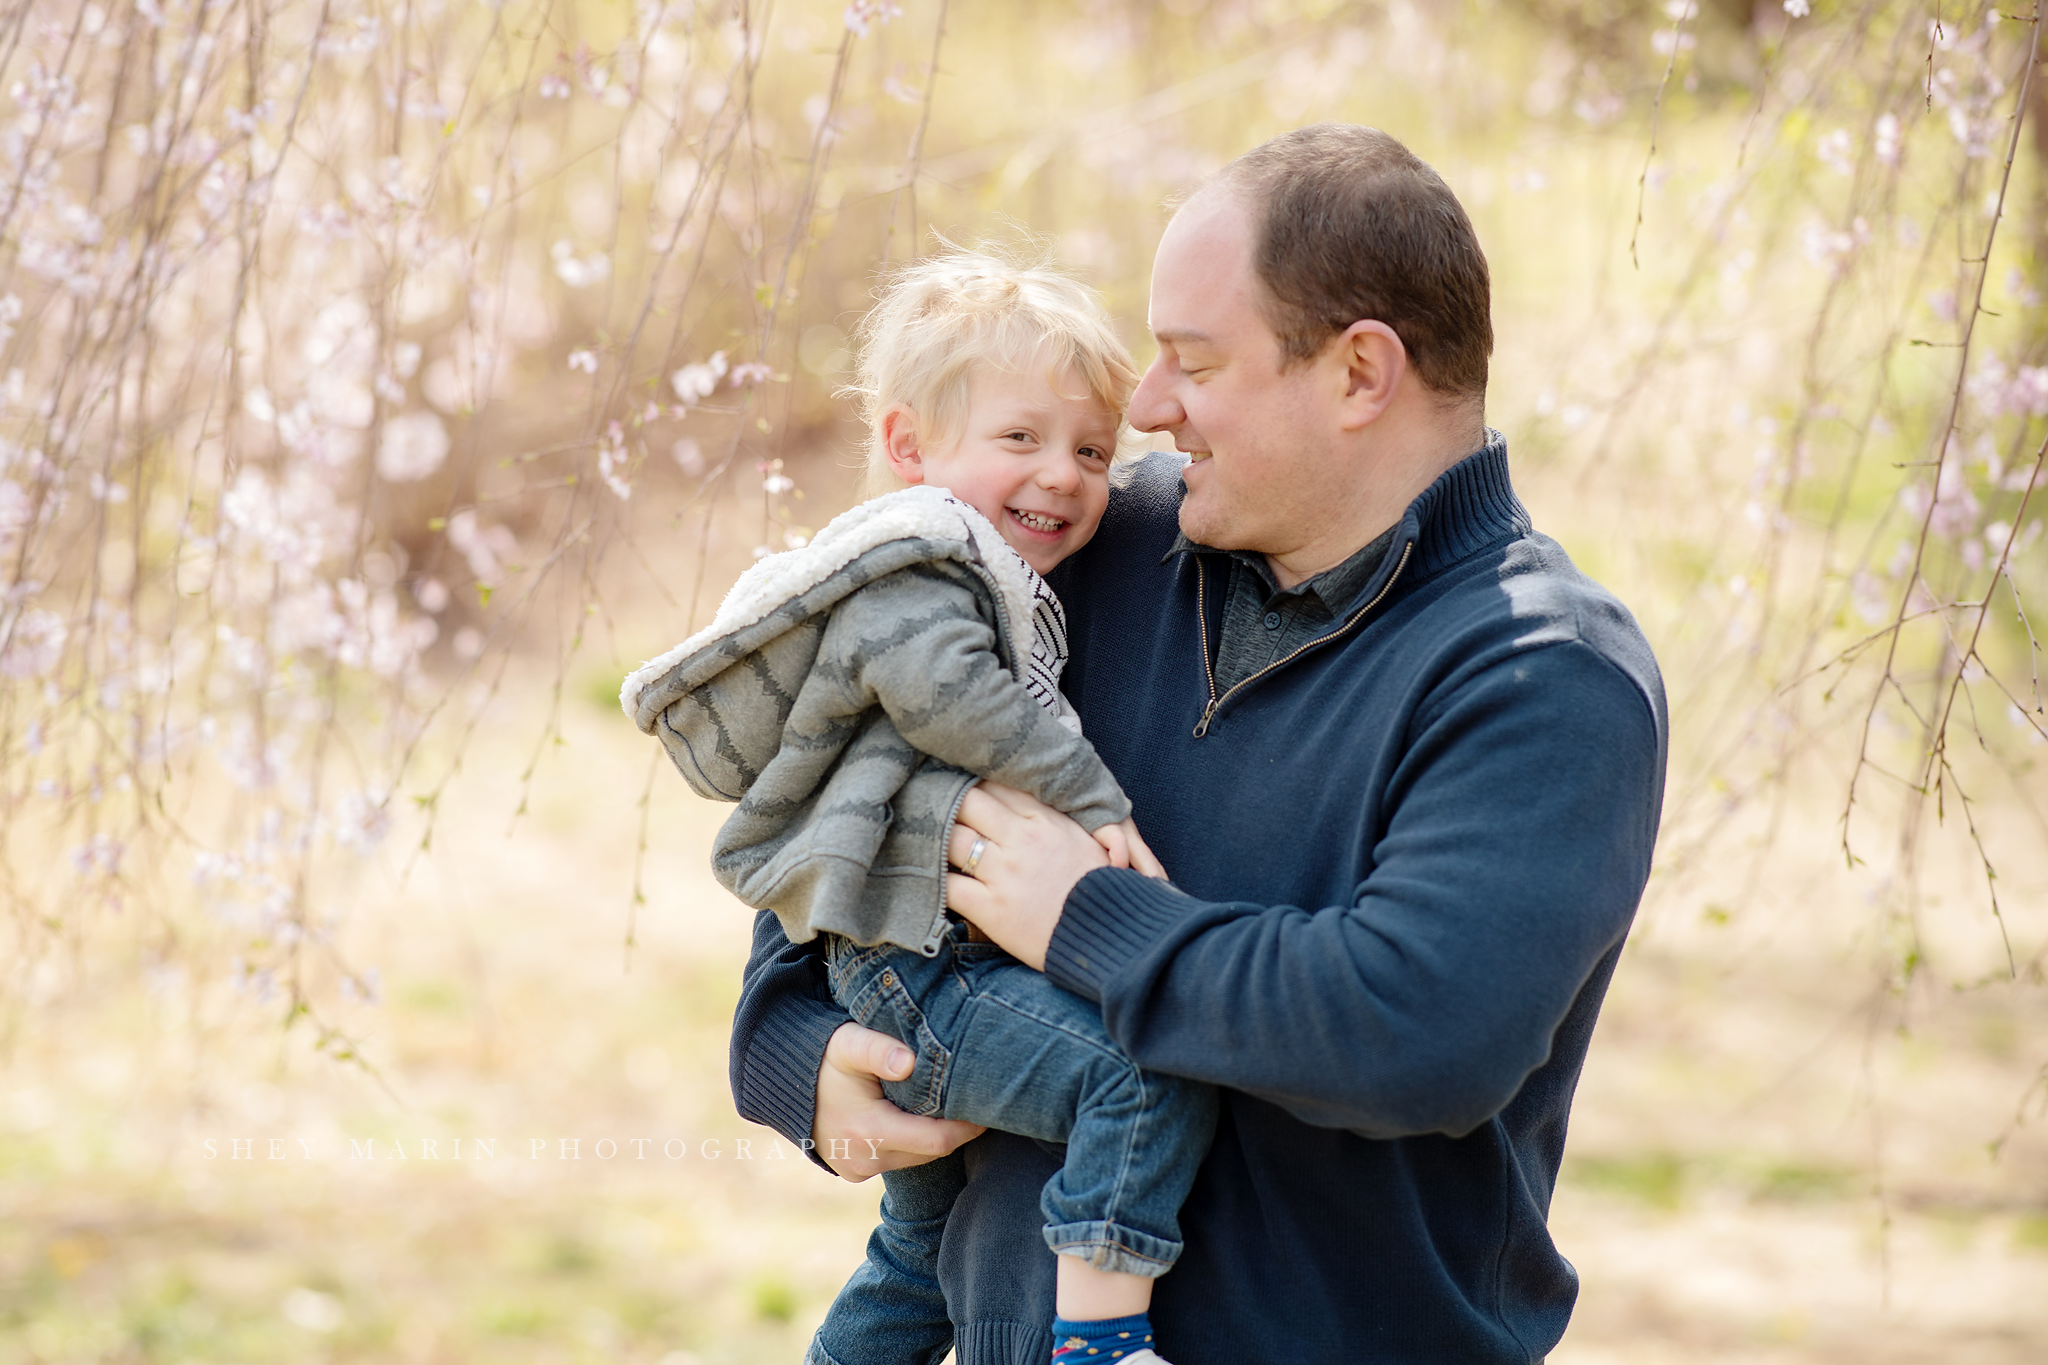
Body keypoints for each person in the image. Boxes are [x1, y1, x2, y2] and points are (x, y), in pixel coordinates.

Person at [729, 124, 1670, 1364]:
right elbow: (856, 800)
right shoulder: (1082, 550)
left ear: (1357, 373)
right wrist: (789, 1054)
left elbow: (1412, 1033)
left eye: (1192, 361)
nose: (1144, 407)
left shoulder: (1541, 675)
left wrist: (1085, 919)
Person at [623, 248, 1220, 1365]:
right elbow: (954, 701)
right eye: (1020, 439)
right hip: (927, 967)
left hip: (918, 960)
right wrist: (1089, 802)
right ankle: (1098, 1345)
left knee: (913, 1255)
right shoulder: (918, 575)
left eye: (1092, 450)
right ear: (909, 447)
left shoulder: (1013, 570)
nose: (1064, 476)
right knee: (1138, 1076)